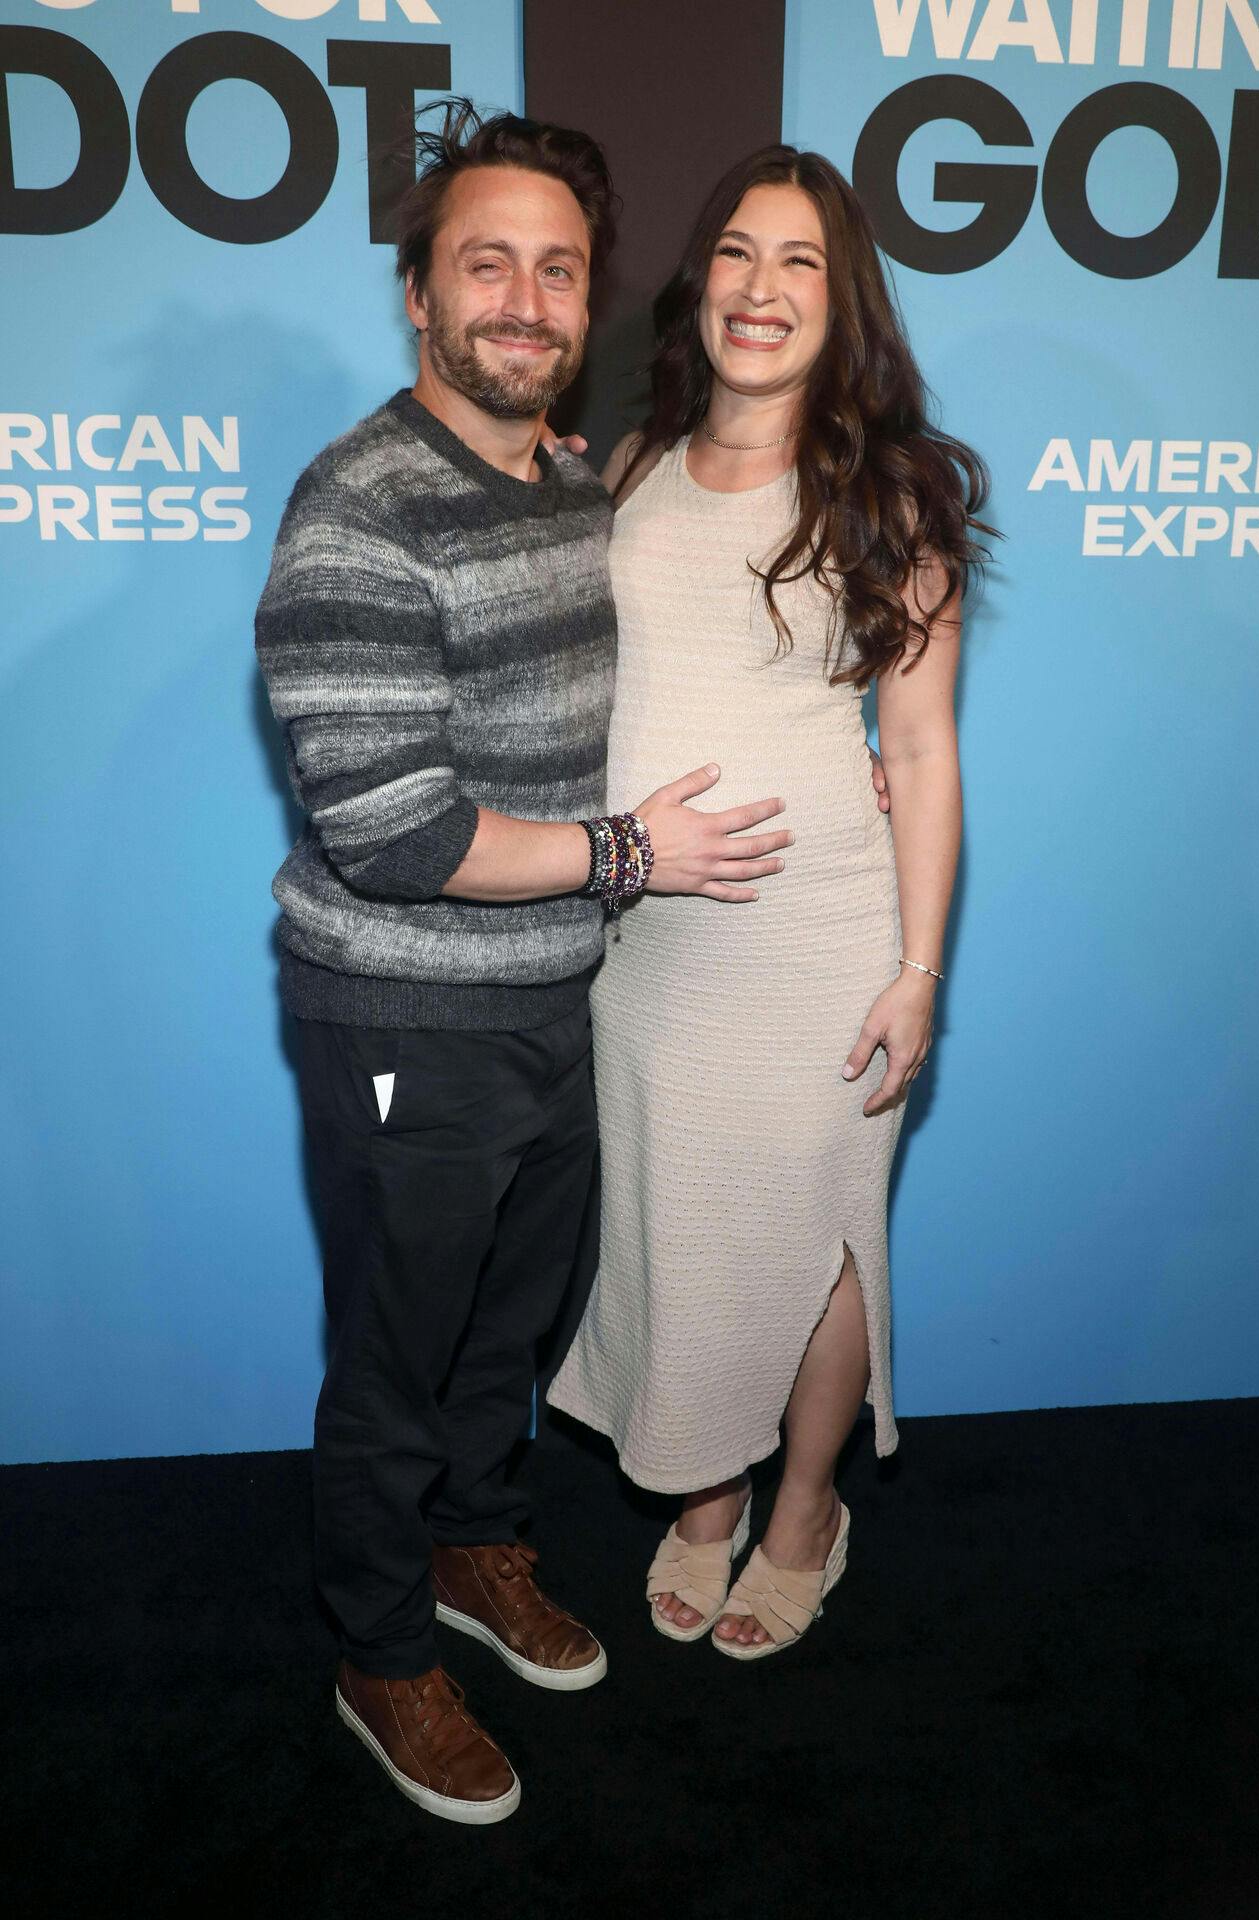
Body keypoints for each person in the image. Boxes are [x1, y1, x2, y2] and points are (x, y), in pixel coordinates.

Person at [254, 102, 791, 1823]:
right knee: (399, 1361)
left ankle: (481, 1553)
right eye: (485, 262)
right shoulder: (358, 506)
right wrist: (637, 859)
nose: (524, 298)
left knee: (512, 1333)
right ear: (419, 294)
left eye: (558, 269)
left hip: (552, 999)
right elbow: (392, 831)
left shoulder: (569, 476)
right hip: (406, 1006)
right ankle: (377, 1651)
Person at [548, 145, 989, 1658]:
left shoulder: (892, 496)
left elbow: (921, 750)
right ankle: (706, 1493)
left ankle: (805, 1505)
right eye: (739, 252)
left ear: (841, 297)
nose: (762, 287)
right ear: (701, 281)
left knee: (821, 1236)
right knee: (683, 1233)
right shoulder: (631, 469)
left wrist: (919, 967)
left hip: (818, 946)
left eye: (801, 262)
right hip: (648, 952)